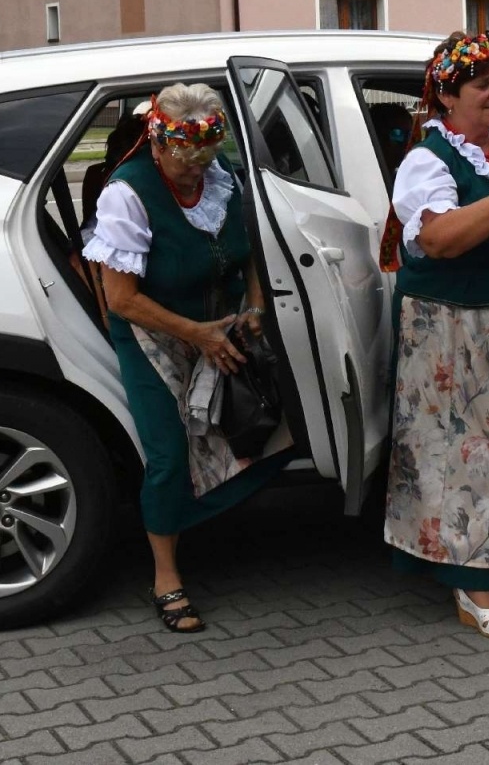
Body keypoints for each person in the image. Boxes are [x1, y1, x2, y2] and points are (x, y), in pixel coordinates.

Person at [83, 83, 288, 633]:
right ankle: (165, 576)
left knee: (250, 428)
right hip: (152, 334)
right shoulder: (125, 194)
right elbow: (122, 300)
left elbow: (244, 249)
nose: (196, 174)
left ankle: (200, 522)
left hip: (213, 326)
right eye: (184, 165)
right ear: (157, 145)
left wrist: (256, 305)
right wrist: (196, 334)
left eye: (204, 162)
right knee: (169, 453)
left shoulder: (216, 175)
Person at [381, 32, 489, 639]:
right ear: (447, 98)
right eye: (481, 85)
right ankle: (472, 581)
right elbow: (438, 239)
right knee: (464, 451)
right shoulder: (431, 159)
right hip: (452, 328)